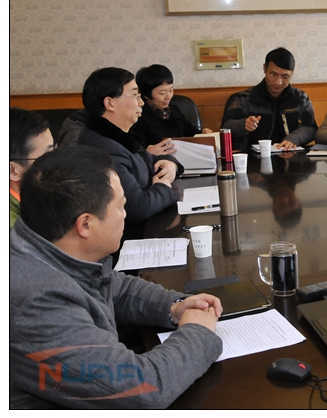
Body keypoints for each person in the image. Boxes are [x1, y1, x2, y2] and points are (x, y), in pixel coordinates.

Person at [9, 145, 223, 409]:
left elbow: (110, 284)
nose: (126, 214)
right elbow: (141, 389)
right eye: (121, 207)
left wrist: (173, 307)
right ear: (85, 224)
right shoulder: (37, 304)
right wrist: (197, 333)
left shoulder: (44, 242)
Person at [77, 67, 183, 225]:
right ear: (110, 103)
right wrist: (164, 187)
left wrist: (170, 164)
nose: (141, 102)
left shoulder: (118, 135)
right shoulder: (104, 149)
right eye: (134, 95)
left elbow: (148, 158)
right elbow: (138, 207)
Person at [221, 47, 317, 152]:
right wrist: (243, 124)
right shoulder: (243, 98)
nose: (278, 82)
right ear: (264, 69)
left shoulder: (300, 98)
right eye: (273, 74)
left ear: (292, 74)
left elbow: (310, 127)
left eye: (285, 77)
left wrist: (293, 139)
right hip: (252, 158)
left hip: (291, 155)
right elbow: (226, 127)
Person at [129, 64, 213, 156]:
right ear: (146, 95)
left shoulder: (174, 110)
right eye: (162, 93)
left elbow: (190, 133)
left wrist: (202, 133)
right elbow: (135, 151)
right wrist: (147, 152)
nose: (168, 97)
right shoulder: (137, 117)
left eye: (171, 90)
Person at [9, 108, 55, 227]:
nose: (57, 161)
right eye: (47, 155)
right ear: (13, 171)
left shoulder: (39, 196)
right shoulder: (14, 229)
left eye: (55, 151)